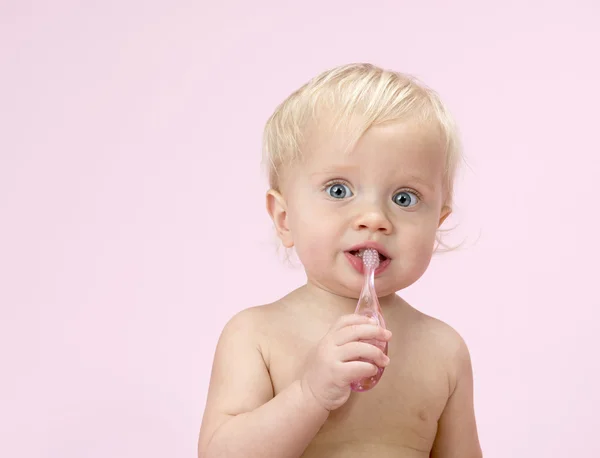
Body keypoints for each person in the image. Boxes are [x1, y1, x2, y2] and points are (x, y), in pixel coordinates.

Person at [197, 63, 483, 458]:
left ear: (437, 225)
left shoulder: (444, 350)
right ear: (285, 218)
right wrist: (309, 393)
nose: (374, 218)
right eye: (338, 189)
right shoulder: (255, 336)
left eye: (405, 198)